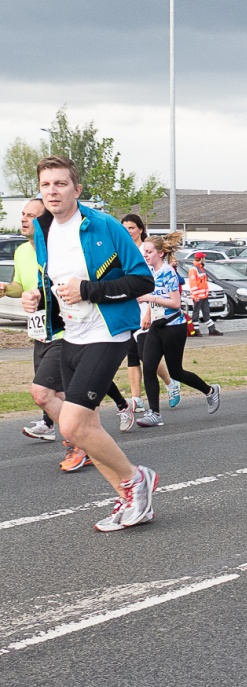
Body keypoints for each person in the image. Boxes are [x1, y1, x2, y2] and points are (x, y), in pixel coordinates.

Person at [22, 155, 158, 531]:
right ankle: (132, 500)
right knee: (89, 428)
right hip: (71, 334)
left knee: (73, 425)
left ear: (77, 190)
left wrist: (89, 290)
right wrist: (37, 295)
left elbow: (142, 282)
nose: (53, 191)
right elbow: (54, 281)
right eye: (46, 185)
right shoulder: (43, 229)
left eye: (60, 183)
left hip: (108, 332)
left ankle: (136, 478)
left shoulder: (103, 226)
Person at [134, 234, 221, 427]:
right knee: (148, 367)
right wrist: (148, 309)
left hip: (173, 327)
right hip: (156, 327)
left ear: (160, 253)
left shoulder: (168, 272)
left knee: (176, 372)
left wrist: (151, 298)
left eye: (149, 252)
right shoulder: (150, 271)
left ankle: (210, 391)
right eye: (144, 252)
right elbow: (152, 295)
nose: (145, 255)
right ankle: (154, 413)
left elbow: (174, 303)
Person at [2, 198, 58, 444]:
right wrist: (6, 289)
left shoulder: (58, 248)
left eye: (31, 216)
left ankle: (80, 440)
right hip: (38, 328)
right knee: (53, 390)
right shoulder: (22, 250)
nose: (23, 219)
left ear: (44, 220)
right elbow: (21, 286)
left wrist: (41, 294)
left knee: (44, 390)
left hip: (62, 329)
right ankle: (52, 425)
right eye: (23, 214)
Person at [121, 214, 176, 412]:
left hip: (147, 307)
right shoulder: (121, 249)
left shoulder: (146, 250)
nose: (128, 232)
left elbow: (154, 284)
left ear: (140, 229)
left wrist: (148, 314)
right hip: (129, 305)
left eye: (131, 228)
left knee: (146, 355)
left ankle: (171, 383)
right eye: (124, 228)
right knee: (131, 354)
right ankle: (137, 398)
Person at [187, 252, 223, 337]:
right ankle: (196, 330)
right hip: (198, 296)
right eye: (204, 258)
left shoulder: (201, 268)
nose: (205, 259)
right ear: (201, 259)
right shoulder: (194, 269)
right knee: (196, 313)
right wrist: (196, 296)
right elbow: (193, 284)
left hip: (204, 296)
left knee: (206, 313)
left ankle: (212, 330)